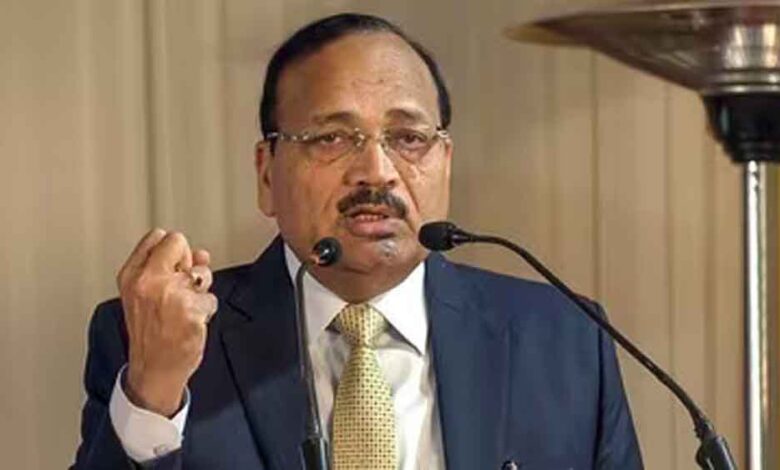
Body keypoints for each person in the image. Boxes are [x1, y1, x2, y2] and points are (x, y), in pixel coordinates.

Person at [72, 13, 642, 470]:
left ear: (445, 162)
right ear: (267, 173)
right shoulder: (155, 338)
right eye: (332, 138)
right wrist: (153, 393)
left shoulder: (566, 341)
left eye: (408, 138)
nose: (377, 172)